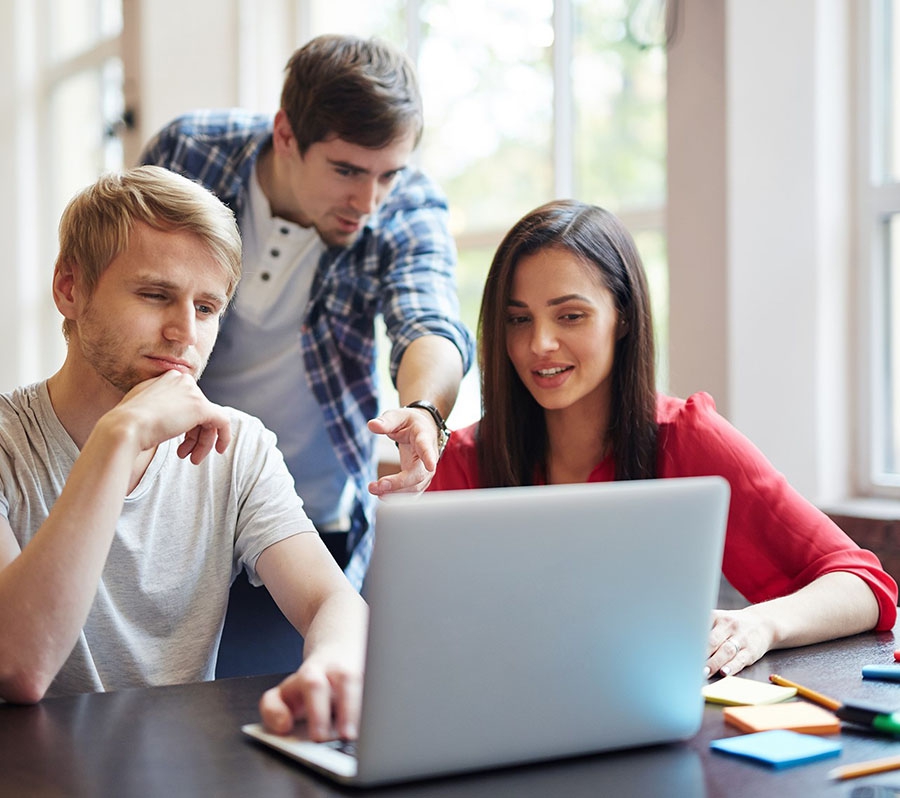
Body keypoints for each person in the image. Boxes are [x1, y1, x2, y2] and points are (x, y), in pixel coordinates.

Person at [429, 199, 899, 677]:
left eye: (570, 316)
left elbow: (865, 586)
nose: (539, 344)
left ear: (624, 317)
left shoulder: (687, 438)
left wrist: (760, 625)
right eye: (519, 319)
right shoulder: (462, 463)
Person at [0, 166, 366, 740]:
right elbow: (18, 665)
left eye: (206, 308)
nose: (184, 334)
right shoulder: (6, 443)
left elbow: (333, 602)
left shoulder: (239, 446)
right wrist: (119, 437)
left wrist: (331, 663)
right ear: (70, 289)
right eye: (155, 295)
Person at [140, 34, 474, 588]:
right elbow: (117, 296)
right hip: (168, 505)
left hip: (307, 519)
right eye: (346, 171)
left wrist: (424, 410)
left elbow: (429, 319)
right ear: (286, 135)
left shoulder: (407, 204)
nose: (368, 204)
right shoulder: (189, 154)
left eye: (387, 174)